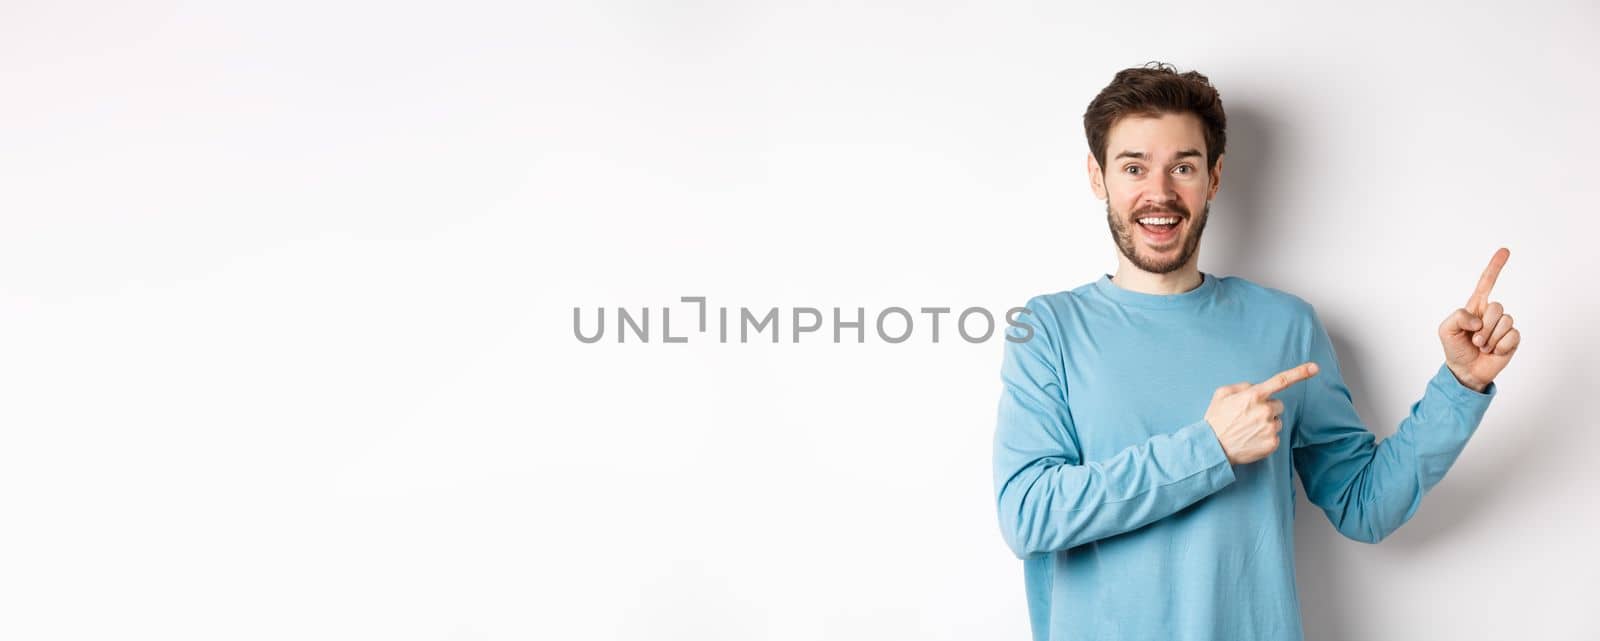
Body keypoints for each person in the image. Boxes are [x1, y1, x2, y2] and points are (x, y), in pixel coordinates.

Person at [990, 62, 1521, 641]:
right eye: (1134, 166)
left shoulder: (1285, 326)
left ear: (1214, 177)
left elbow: (1365, 507)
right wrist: (1209, 447)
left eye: (1183, 167)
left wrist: (1460, 385)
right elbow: (1028, 515)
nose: (1159, 192)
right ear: (1098, 177)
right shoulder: (1046, 330)